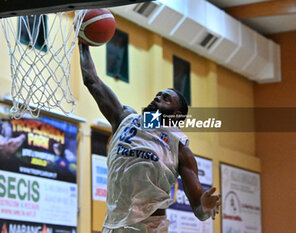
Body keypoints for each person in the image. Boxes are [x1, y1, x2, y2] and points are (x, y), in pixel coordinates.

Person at [79, 43, 221, 233]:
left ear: (176, 115)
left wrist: (204, 206)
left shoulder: (179, 148)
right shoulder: (125, 118)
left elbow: (199, 209)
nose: (157, 98)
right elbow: (92, 80)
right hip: (113, 225)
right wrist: (83, 43)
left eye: (166, 99)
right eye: (158, 95)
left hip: (148, 227)